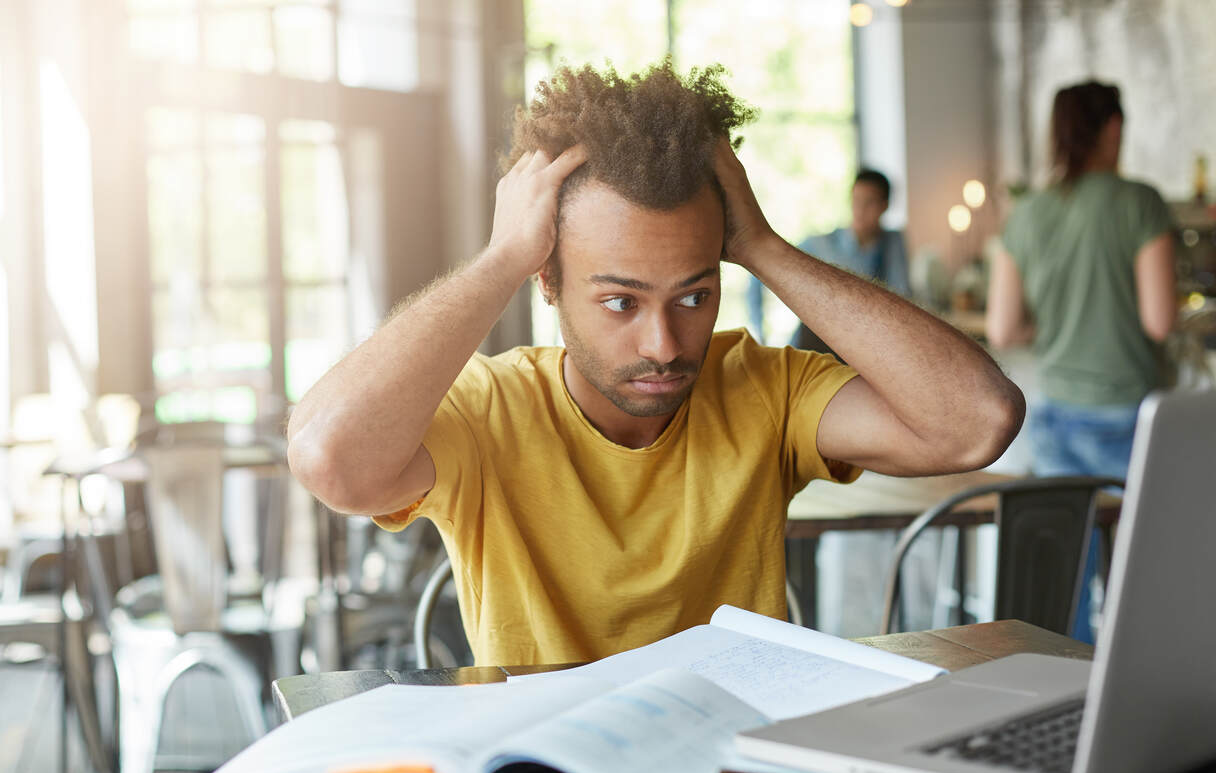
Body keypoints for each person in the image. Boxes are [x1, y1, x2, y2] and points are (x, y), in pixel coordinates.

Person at [288, 61, 1024, 666]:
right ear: (549, 282)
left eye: (695, 295)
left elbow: (977, 422)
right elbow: (330, 457)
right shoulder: (491, 409)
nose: (665, 345)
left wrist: (766, 247)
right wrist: (500, 258)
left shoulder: (764, 388)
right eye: (620, 303)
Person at [985, 80, 1175, 642]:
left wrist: (1063, 322)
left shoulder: (1028, 212)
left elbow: (1002, 327)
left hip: (1057, 419)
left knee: (1066, 587)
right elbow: (1160, 319)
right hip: (1129, 421)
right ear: (1113, 128)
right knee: (1143, 583)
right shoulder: (1139, 202)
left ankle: (1070, 709)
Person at [756, 169, 910, 356]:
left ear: (884, 206)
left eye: (869, 203)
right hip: (815, 350)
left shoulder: (892, 242)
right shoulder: (821, 245)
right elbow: (762, 261)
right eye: (856, 201)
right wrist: (759, 330)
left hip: (863, 352)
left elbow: (902, 298)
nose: (860, 210)